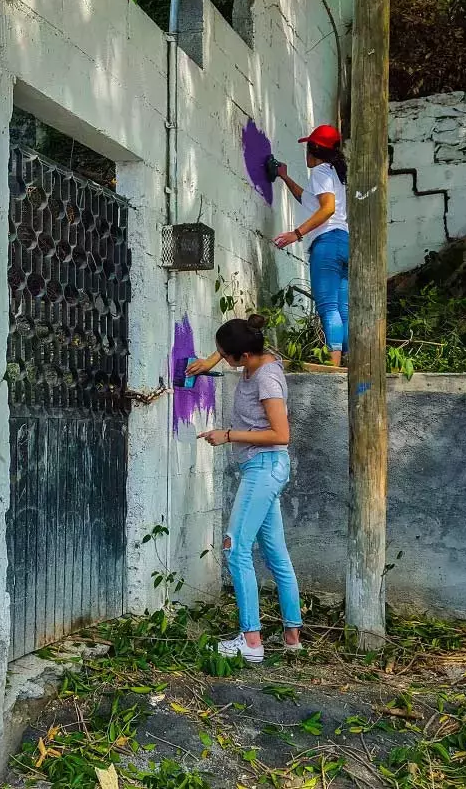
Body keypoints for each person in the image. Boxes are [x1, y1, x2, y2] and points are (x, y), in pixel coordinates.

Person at [187, 315, 302, 663]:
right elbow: (232, 346)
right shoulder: (255, 356)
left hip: (264, 468)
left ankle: (251, 641)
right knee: (276, 553)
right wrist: (209, 361)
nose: (225, 361)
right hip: (264, 469)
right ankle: (292, 635)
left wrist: (228, 435)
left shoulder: (267, 379)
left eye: (227, 357)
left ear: (244, 357)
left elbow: (282, 435)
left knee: (235, 548)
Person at [272, 124, 350, 367]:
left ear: (313, 150)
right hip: (344, 243)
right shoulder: (335, 174)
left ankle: (333, 364)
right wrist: (284, 177)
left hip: (327, 244)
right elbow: (309, 200)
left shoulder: (320, 173)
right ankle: (346, 360)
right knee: (342, 308)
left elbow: (327, 209)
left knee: (328, 307)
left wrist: (296, 234)